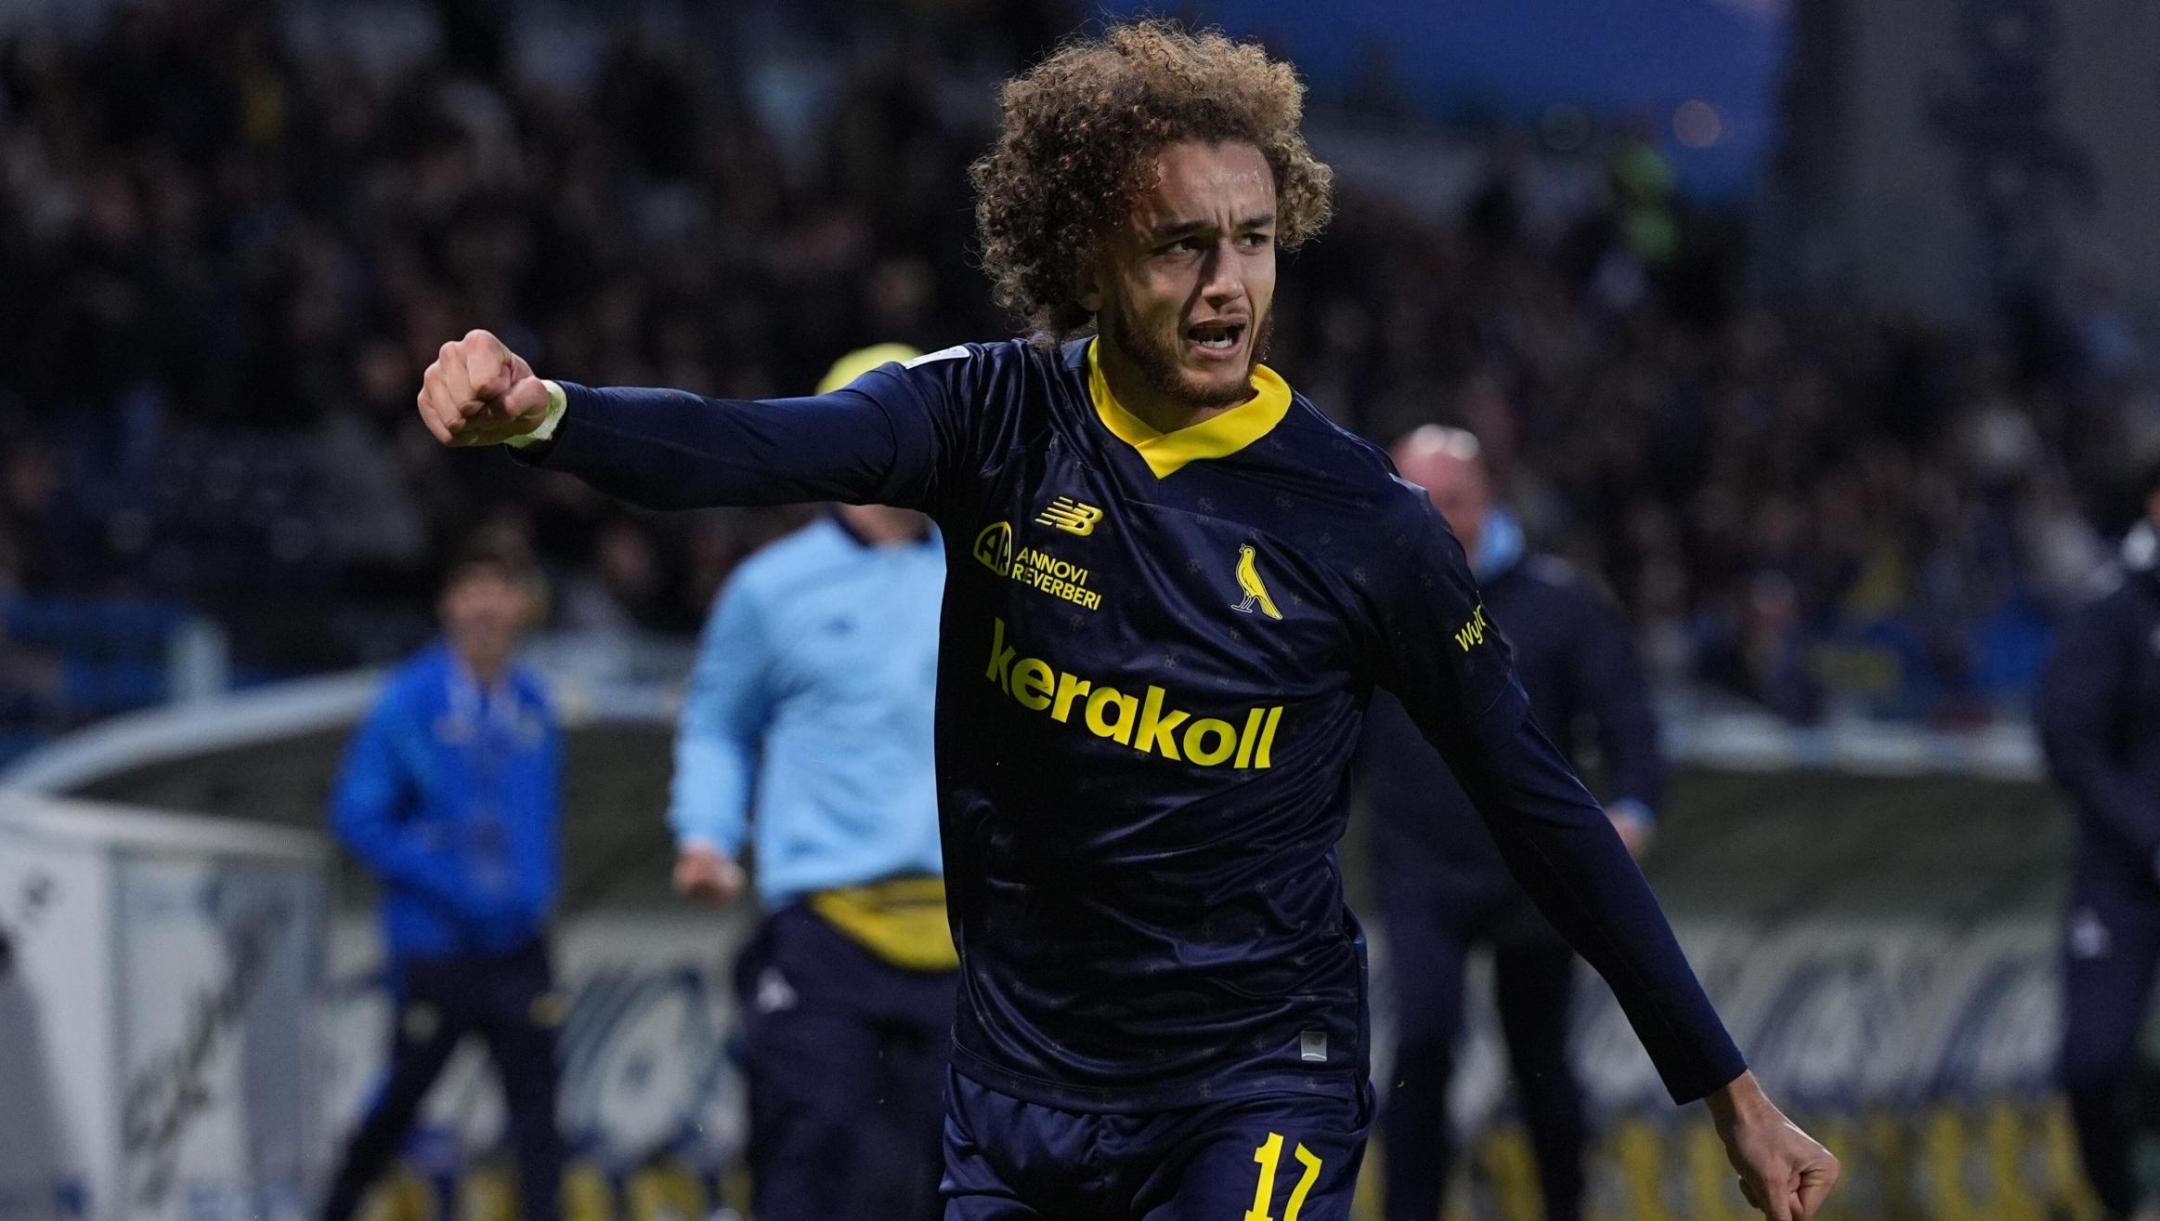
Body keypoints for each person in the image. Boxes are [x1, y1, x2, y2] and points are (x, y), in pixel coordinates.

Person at [413, 22, 1837, 1220]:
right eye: (1180, 249)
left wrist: (1727, 1087)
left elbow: (1541, 805)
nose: (1228, 288)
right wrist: (547, 414)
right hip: (1021, 1086)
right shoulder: (992, 419)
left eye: (1255, 243)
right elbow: (750, 447)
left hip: (1255, 1073)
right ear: (1090, 255)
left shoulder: (1367, 525)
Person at [670, 344, 955, 1221]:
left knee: (965, 1185)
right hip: (827, 935)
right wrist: (707, 833)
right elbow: (718, 722)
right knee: (816, 1165)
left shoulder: (995, 572)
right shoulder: (770, 590)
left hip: (971, 945)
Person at [1359, 426, 1662, 1221]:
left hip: (1533, 870)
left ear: (1486, 500)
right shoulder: (1369, 596)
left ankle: (1566, 1206)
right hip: (1420, 868)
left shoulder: (1561, 603)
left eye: (1450, 500)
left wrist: (1630, 813)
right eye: (1414, 497)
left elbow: (1631, 722)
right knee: (1420, 1045)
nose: (1433, 516)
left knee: (1542, 1067)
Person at [319, 545, 564, 1221]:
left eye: (500, 587)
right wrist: (444, 874)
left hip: (520, 946)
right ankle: (333, 1209)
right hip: (438, 946)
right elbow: (355, 814)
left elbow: (535, 819)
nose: (486, 603)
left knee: (539, 1117)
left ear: (522, 604)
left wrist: (531, 891)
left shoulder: (536, 704)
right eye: (470, 588)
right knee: (401, 1098)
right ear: (447, 604)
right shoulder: (409, 700)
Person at [2039, 470, 2160, 1221]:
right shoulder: (2114, 608)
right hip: (2126, 873)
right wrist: (2150, 834)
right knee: (2092, 1061)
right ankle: (2125, 1204)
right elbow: (2066, 739)